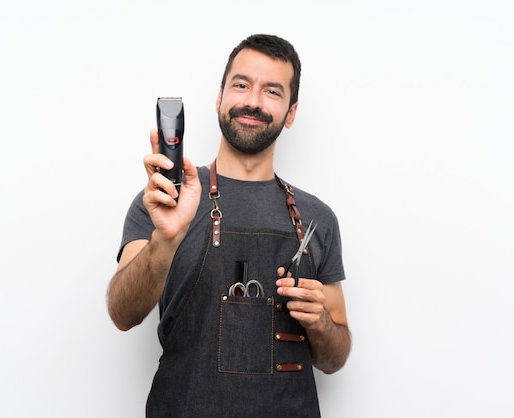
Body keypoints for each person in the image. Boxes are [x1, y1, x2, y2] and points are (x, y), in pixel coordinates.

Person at [107, 34, 351, 417]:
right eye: (241, 85)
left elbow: (335, 358)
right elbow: (122, 314)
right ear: (219, 97)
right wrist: (165, 241)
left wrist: (320, 322)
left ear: (291, 112)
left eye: (272, 90)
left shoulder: (317, 218)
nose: (253, 100)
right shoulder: (163, 202)